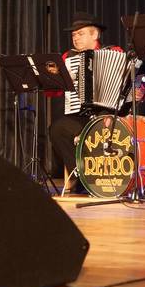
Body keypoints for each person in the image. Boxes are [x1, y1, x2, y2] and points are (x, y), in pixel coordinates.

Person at [49, 12, 117, 184]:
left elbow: (127, 82)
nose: (76, 38)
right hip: (81, 115)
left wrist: (138, 92)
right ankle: (82, 178)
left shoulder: (113, 52)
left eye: (80, 33)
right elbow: (53, 93)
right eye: (73, 35)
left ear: (95, 35)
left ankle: (108, 178)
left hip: (108, 114)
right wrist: (56, 79)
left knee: (107, 125)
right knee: (57, 129)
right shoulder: (68, 57)